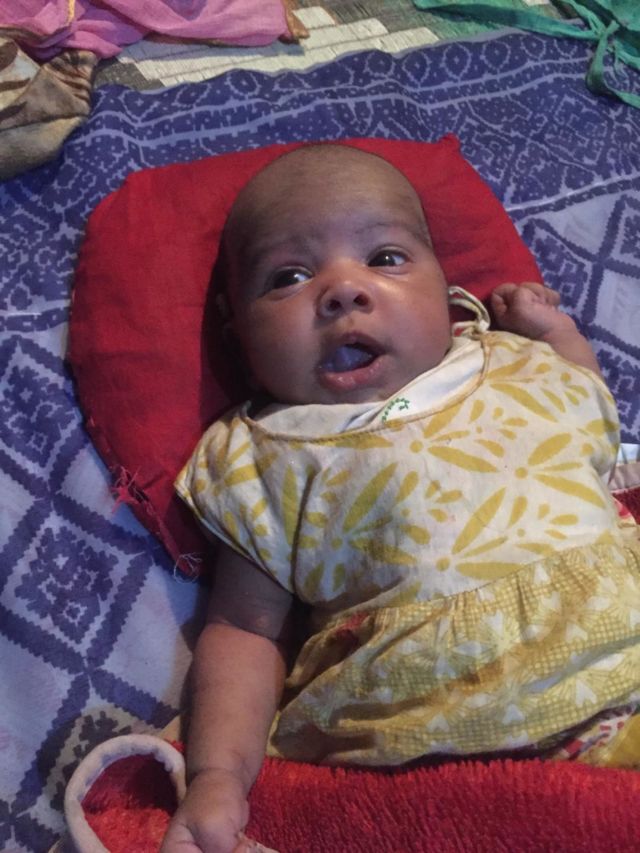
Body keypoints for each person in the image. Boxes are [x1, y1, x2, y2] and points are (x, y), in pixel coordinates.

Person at [161, 144, 640, 853]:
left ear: (445, 289)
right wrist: (218, 774)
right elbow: (244, 633)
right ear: (239, 331)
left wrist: (556, 334)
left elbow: (588, 410)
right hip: (424, 745)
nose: (343, 291)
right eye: (289, 277)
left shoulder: (514, 363)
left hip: (620, 671)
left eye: (384, 258)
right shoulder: (265, 456)